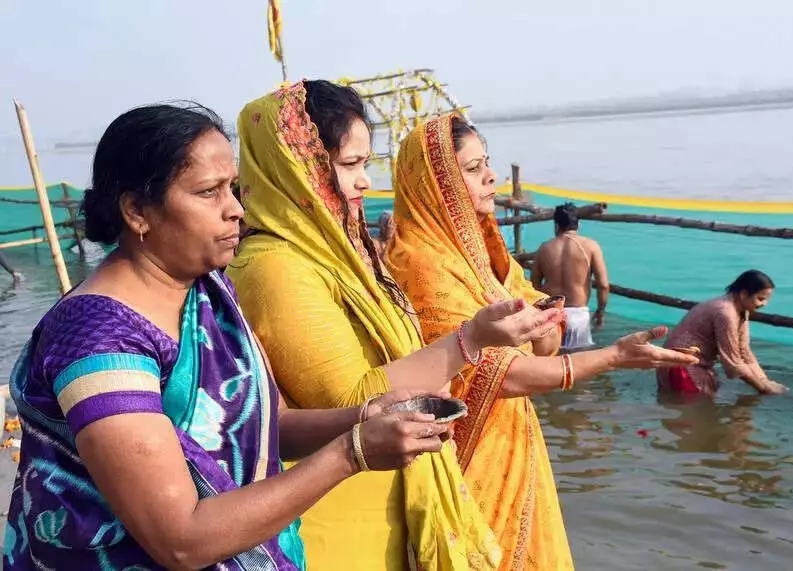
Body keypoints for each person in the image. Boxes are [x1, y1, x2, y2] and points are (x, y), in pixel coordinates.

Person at [3, 103, 457, 570]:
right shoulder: (99, 341)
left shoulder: (209, 290)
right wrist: (353, 451)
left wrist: (363, 416)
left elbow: (267, 426)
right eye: (208, 192)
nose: (235, 209)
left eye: (233, 189)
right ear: (137, 210)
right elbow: (181, 539)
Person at [226, 80, 557, 570]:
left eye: (366, 165)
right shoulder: (275, 267)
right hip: (347, 532)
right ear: (296, 169)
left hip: (395, 501)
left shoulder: (344, 258)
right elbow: (353, 401)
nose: (364, 183)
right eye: (349, 166)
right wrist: (473, 339)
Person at [386, 113, 699, 570]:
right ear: (439, 186)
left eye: (486, 164)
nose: (491, 176)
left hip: (514, 438)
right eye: (473, 170)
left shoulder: (487, 259)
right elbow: (502, 373)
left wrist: (539, 330)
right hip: (469, 453)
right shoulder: (422, 264)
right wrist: (612, 356)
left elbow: (546, 341)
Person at [657, 270, 788, 395]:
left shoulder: (741, 310)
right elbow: (733, 361)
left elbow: (744, 351)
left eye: (766, 299)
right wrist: (763, 388)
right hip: (681, 366)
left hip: (691, 363)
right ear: (743, 294)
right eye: (760, 298)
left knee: (698, 406)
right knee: (693, 411)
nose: (764, 304)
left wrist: (765, 381)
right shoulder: (725, 313)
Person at [532, 202, 609, 350]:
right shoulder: (591, 246)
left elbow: (535, 285)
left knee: (552, 364)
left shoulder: (544, 248)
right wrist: (601, 311)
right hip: (578, 315)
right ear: (578, 224)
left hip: (551, 313)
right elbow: (603, 285)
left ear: (556, 225)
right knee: (578, 365)